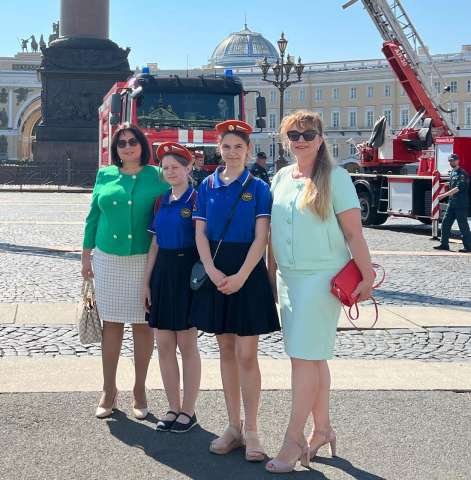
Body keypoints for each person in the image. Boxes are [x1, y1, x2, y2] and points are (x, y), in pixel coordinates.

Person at [266, 110, 375, 473]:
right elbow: (271, 235)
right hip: (289, 279)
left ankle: (293, 438)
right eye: (293, 134)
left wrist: (367, 275)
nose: (300, 140)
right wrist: (271, 275)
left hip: (320, 278)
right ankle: (323, 428)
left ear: (320, 137)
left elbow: (353, 234)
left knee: (302, 359)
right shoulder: (280, 177)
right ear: (285, 139)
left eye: (307, 134)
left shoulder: (337, 178)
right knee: (313, 358)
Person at [190, 119, 280, 461]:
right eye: (226, 147)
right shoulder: (207, 187)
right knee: (225, 350)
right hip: (217, 271)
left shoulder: (258, 188)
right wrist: (212, 271)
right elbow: (200, 233)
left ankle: (253, 429)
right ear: (219, 149)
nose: (231, 153)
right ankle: (233, 426)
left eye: (238, 147)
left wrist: (243, 275)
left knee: (247, 354)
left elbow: (262, 237)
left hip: (246, 272)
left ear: (247, 151)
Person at [81, 123, 168, 419]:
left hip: (144, 260)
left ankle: (140, 388)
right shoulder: (105, 174)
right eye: (122, 143)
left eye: (133, 141)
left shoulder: (157, 177)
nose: (128, 147)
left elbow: (175, 205)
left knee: (143, 325)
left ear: (143, 145)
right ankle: (108, 389)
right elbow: (92, 216)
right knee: (112, 324)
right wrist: (85, 256)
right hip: (109, 259)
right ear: (116, 149)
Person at [144, 142, 201, 433]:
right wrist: (147, 282)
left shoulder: (196, 200)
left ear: (188, 168)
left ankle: (188, 410)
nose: (170, 172)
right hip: (163, 273)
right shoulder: (161, 200)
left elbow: (203, 244)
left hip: (186, 273)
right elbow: (154, 243)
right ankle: (172, 406)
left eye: (175, 167)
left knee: (187, 345)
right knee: (164, 345)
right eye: (165, 168)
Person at [433, 153, 471, 253]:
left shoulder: (462, 173)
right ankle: (444, 244)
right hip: (452, 204)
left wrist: (443, 195)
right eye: (450, 160)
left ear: (458, 161)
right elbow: (451, 185)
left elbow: (458, 188)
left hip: (460, 204)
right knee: (445, 224)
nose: (452, 162)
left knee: (463, 226)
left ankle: (468, 247)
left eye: (453, 160)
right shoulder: (453, 173)